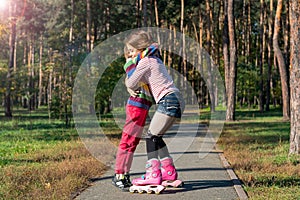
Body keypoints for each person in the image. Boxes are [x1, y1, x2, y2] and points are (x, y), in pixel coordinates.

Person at [124, 30, 185, 186]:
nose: (130, 54)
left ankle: (153, 173)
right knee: (157, 137)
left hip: (168, 99)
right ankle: (169, 171)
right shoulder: (155, 59)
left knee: (150, 137)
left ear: (140, 48)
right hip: (175, 98)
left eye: (131, 50)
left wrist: (129, 64)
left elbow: (132, 83)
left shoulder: (146, 61)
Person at [112, 44, 158, 190]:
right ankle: (119, 174)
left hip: (142, 108)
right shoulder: (131, 64)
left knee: (133, 142)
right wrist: (137, 54)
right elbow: (153, 47)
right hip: (135, 107)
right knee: (127, 141)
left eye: (133, 51)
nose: (131, 55)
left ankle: (125, 175)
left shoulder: (141, 64)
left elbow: (154, 47)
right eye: (128, 52)